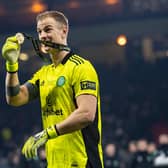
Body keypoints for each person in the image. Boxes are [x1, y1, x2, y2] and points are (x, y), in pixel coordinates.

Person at [2, 10, 104, 168]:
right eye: (39, 31)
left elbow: (86, 114)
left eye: (48, 29)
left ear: (64, 31)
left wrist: (47, 133)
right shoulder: (44, 74)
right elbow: (15, 98)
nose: (42, 36)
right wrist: (11, 66)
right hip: (54, 163)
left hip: (83, 162)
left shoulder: (81, 67)